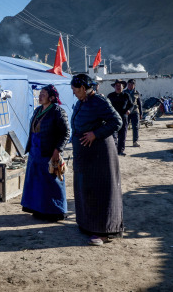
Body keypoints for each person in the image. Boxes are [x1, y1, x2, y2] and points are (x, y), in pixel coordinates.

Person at [70, 74, 124, 246]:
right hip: (86, 155)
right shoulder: (81, 102)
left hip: (100, 154)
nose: (74, 93)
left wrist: (95, 134)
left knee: (102, 190)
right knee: (86, 189)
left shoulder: (100, 101)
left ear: (85, 89)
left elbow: (117, 121)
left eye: (76, 90)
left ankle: (104, 232)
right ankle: (88, 226)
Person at [21, 85, 71, 222]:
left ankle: (55, 211)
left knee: (52, 181)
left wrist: (57, 150)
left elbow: (66, 133)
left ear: (52, 97)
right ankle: (38, 209)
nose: (40, 96)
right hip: (35, 150)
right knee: (36, 181)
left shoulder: (58, 111)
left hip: (49, 151)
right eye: (40, 94)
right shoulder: (38, 110)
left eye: (43, 94)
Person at [107, 79, 134, 156]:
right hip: (113, 119)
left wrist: (129, 110)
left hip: (123, 118)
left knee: (122, 135)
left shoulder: (126, 95)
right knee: (113, 135)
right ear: (114, 87)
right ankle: (114, 151)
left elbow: (131, 105)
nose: (118, 87)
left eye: (120, 86)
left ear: (123, 87)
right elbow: (106, 105)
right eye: (116, 85)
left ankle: (120, 150)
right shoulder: (110, 96)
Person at [124, 79, 143, 147]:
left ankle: (135, 141)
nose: (130, 86)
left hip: (135, 112)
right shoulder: (124, 92)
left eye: (131, 84)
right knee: (125, 127)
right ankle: (122, 141)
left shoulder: (137, 93)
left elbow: (139, 104)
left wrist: (141, 113)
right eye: (128, 84)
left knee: (135, 127)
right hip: (127, 112)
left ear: (134, 85)